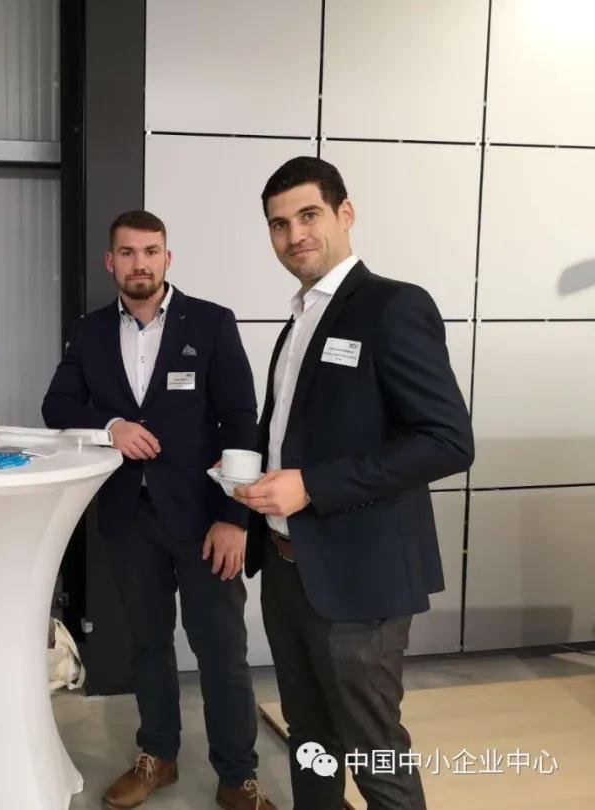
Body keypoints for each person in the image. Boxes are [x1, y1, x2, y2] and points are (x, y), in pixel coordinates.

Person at [235, 156, 474, 809]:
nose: (294, 235)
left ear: (345, 213)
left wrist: (312, 485)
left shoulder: (393, 306)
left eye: (308, 215)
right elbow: (292, 430)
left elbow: (447, 441)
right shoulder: (299, 319)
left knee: (373, 752)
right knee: (310, 737)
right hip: (287, 568)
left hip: (361, 579)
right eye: (279, 224)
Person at [42, 210, 275, 810]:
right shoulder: (90, 332)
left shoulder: (212, 323)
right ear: (110, 261)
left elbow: (241, 422)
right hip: (129, 517)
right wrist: (111, 427)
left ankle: (238, 775)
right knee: (147, 645)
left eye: (151, 251)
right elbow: (57, 405)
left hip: (205, 517)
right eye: (127, 252)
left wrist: (235, 517)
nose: (140, 263)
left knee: (220, 650)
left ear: (168, 258)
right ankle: (158, 756)